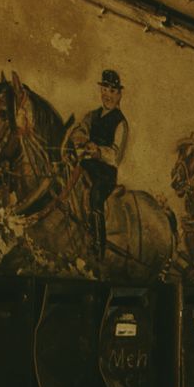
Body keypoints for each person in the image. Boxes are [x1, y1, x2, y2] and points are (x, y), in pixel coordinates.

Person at [75, 69, 129, 260]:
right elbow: (80, 131)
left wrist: (98, 151)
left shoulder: (121, 123)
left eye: (113, 91)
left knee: (96, 195)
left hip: (105, 173)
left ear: (119, 95)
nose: (108, 95)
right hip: (87, 166)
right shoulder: (91, 116)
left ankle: (98, 245)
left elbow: (116, 155)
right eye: (105, 90)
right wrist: (82, 140)